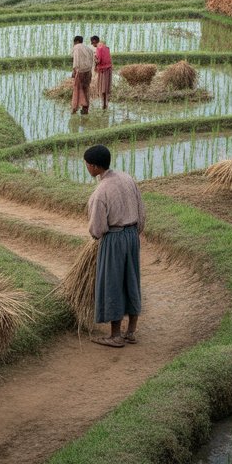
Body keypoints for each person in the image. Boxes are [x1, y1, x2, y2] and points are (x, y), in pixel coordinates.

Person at [83, 144, 145, 348]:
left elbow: (97, 229)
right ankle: (132, 332)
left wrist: (97, 236)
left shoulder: (101, 191)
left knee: (113, 283)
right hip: (132, 236)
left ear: (93, 166)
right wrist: (134, 233)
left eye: (86, 165)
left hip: (114, 239)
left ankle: (116, 336)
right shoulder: (127, 179)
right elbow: (141, 211)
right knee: (131, 279)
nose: (87, 168)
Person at [70, 35, 95, 115]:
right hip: (88, 71)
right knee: (86, 89)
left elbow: (76, 59)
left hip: (80, 71)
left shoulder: (76, 47)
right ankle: (85, 108)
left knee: (77, 90)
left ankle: (75, 108)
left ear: (76, 41)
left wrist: (74, 70)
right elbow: (92, 58)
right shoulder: (88, 48)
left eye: (74, 42)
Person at [90, 35, 113, 110]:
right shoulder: (106, 47)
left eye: (92, 43)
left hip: (103, 70)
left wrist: (94, 58)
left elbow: (98, 60)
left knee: (102, 87)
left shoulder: (99, 48)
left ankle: (103, 104)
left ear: (94, 41)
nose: (92, 45)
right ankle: (106, 103)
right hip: (109, 69)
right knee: (106, 87)